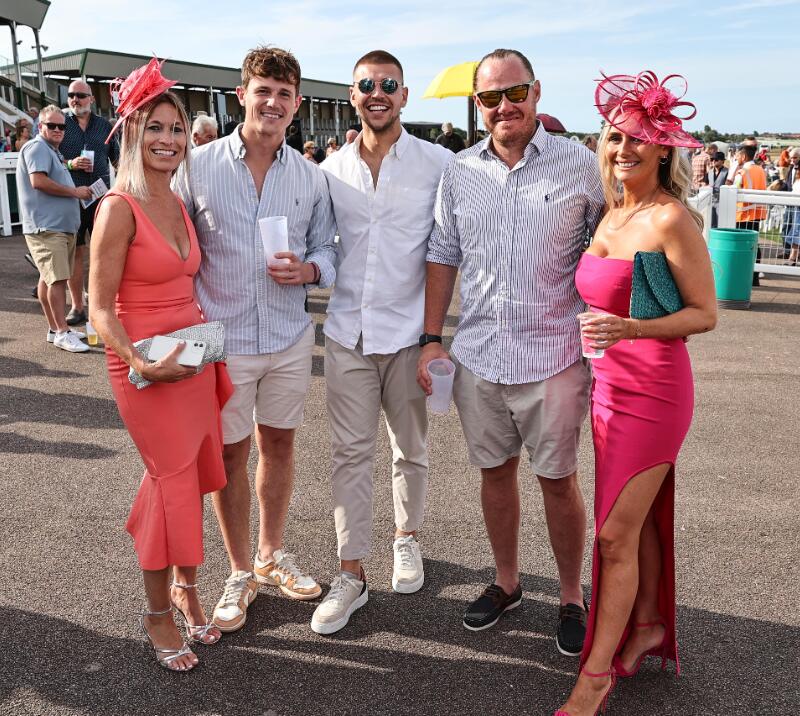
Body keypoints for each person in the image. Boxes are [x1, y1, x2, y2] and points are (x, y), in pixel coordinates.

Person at [419, 48, 603, 655]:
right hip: (480, 357)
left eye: (514, 92)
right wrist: (431, 339)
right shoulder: (460, 170)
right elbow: (444, 253)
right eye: (491, 98)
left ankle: (573, 596)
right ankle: (507, 583)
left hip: (554, 356)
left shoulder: (582, 166)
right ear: (478, 106)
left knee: (557, 480)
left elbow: (613, 252)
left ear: (537, 91)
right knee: (494, 475)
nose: (505, 106)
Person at [554, 70, 717, 716]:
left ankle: (594, 676)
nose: (625, 150)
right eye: (616, 138)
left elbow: (705, 313)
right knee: (639, 520)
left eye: (640, 140)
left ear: (664, 150)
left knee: (614, 536)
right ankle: (646, 623)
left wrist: (630, 326)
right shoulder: (611, 210)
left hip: (654, 391)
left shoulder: (671, 218)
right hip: (607, 389)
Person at [178, 45, 336, 634]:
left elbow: (327, 248)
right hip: (226, 338)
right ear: (241, 95)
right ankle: (240, 569)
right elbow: (177, 248)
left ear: (296, 105)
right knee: (229, 454)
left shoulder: (310, 176)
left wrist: (311, 271)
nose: (273, 102)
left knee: (280, 446)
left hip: (290, 334)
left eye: (284, 94)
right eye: (262, 90)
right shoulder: (199, 166)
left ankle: (271, 555)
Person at [89, 60, 233, 672]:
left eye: (176, 129)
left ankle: (187, 589)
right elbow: (98, 310)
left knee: (187, 484)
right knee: (169, 481)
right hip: (146, 370)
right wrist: (139, 363)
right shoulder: (118, 207)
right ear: (131, 132)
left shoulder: (176, 199)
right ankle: (157, 612)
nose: (168, 140)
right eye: (155, 128)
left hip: (192, 360)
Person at [311, 50, 452, 635]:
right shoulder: (330, 171)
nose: (377, 93)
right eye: (366, 84)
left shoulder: (438, 163)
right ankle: (350, 574)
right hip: (347, 332)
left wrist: (433, 338)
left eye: (387, 84)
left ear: (404, 94)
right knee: (349, 454)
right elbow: (321, 244)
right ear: (352, 95)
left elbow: (449, 248)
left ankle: (406, 538)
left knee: (410, 449)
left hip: (408, 336)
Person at [16, 105, 92, 353]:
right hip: (47, 228)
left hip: (56, 227)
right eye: (52, 125)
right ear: (41, 126)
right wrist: (74, 192)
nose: (58, 129)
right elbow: (38, 181)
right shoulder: (38, 147)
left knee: (48, 279)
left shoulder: (51, 151)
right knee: (58, 280)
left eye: (62, 126)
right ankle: (61, 331)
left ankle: (55, 328)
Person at [61, 79, 120, 327]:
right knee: (75, 252)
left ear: (91, 100)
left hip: (100, 198)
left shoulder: (104, 125)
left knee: (104, 253)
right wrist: (71, 164)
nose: (76, 99)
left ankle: (103, 305)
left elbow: (117, 159)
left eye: (81, 96)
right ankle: (77, 306)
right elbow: (50, 157)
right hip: (71, 196)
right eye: (72, 95)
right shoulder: (60, 123)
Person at [731, 143, 767, 286]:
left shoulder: (742, 172)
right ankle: (755, 277)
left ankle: (743, 276)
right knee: (755, 245)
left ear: (744, 156)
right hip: (757, 212)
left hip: (743, 214)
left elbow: (733, 187)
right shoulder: (760, 169)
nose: (736, 157)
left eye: (738, 155)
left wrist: (733, 170)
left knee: (743, 246)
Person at [708, 150, 728, 228]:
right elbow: (706, 183)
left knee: (720, 223)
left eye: (716, 159)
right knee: (710, 223)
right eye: (712, 159)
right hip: (711, 201)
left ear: (722, 161)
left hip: (722, 201)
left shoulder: (727, 172)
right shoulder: (709, 172)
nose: (714, 161)